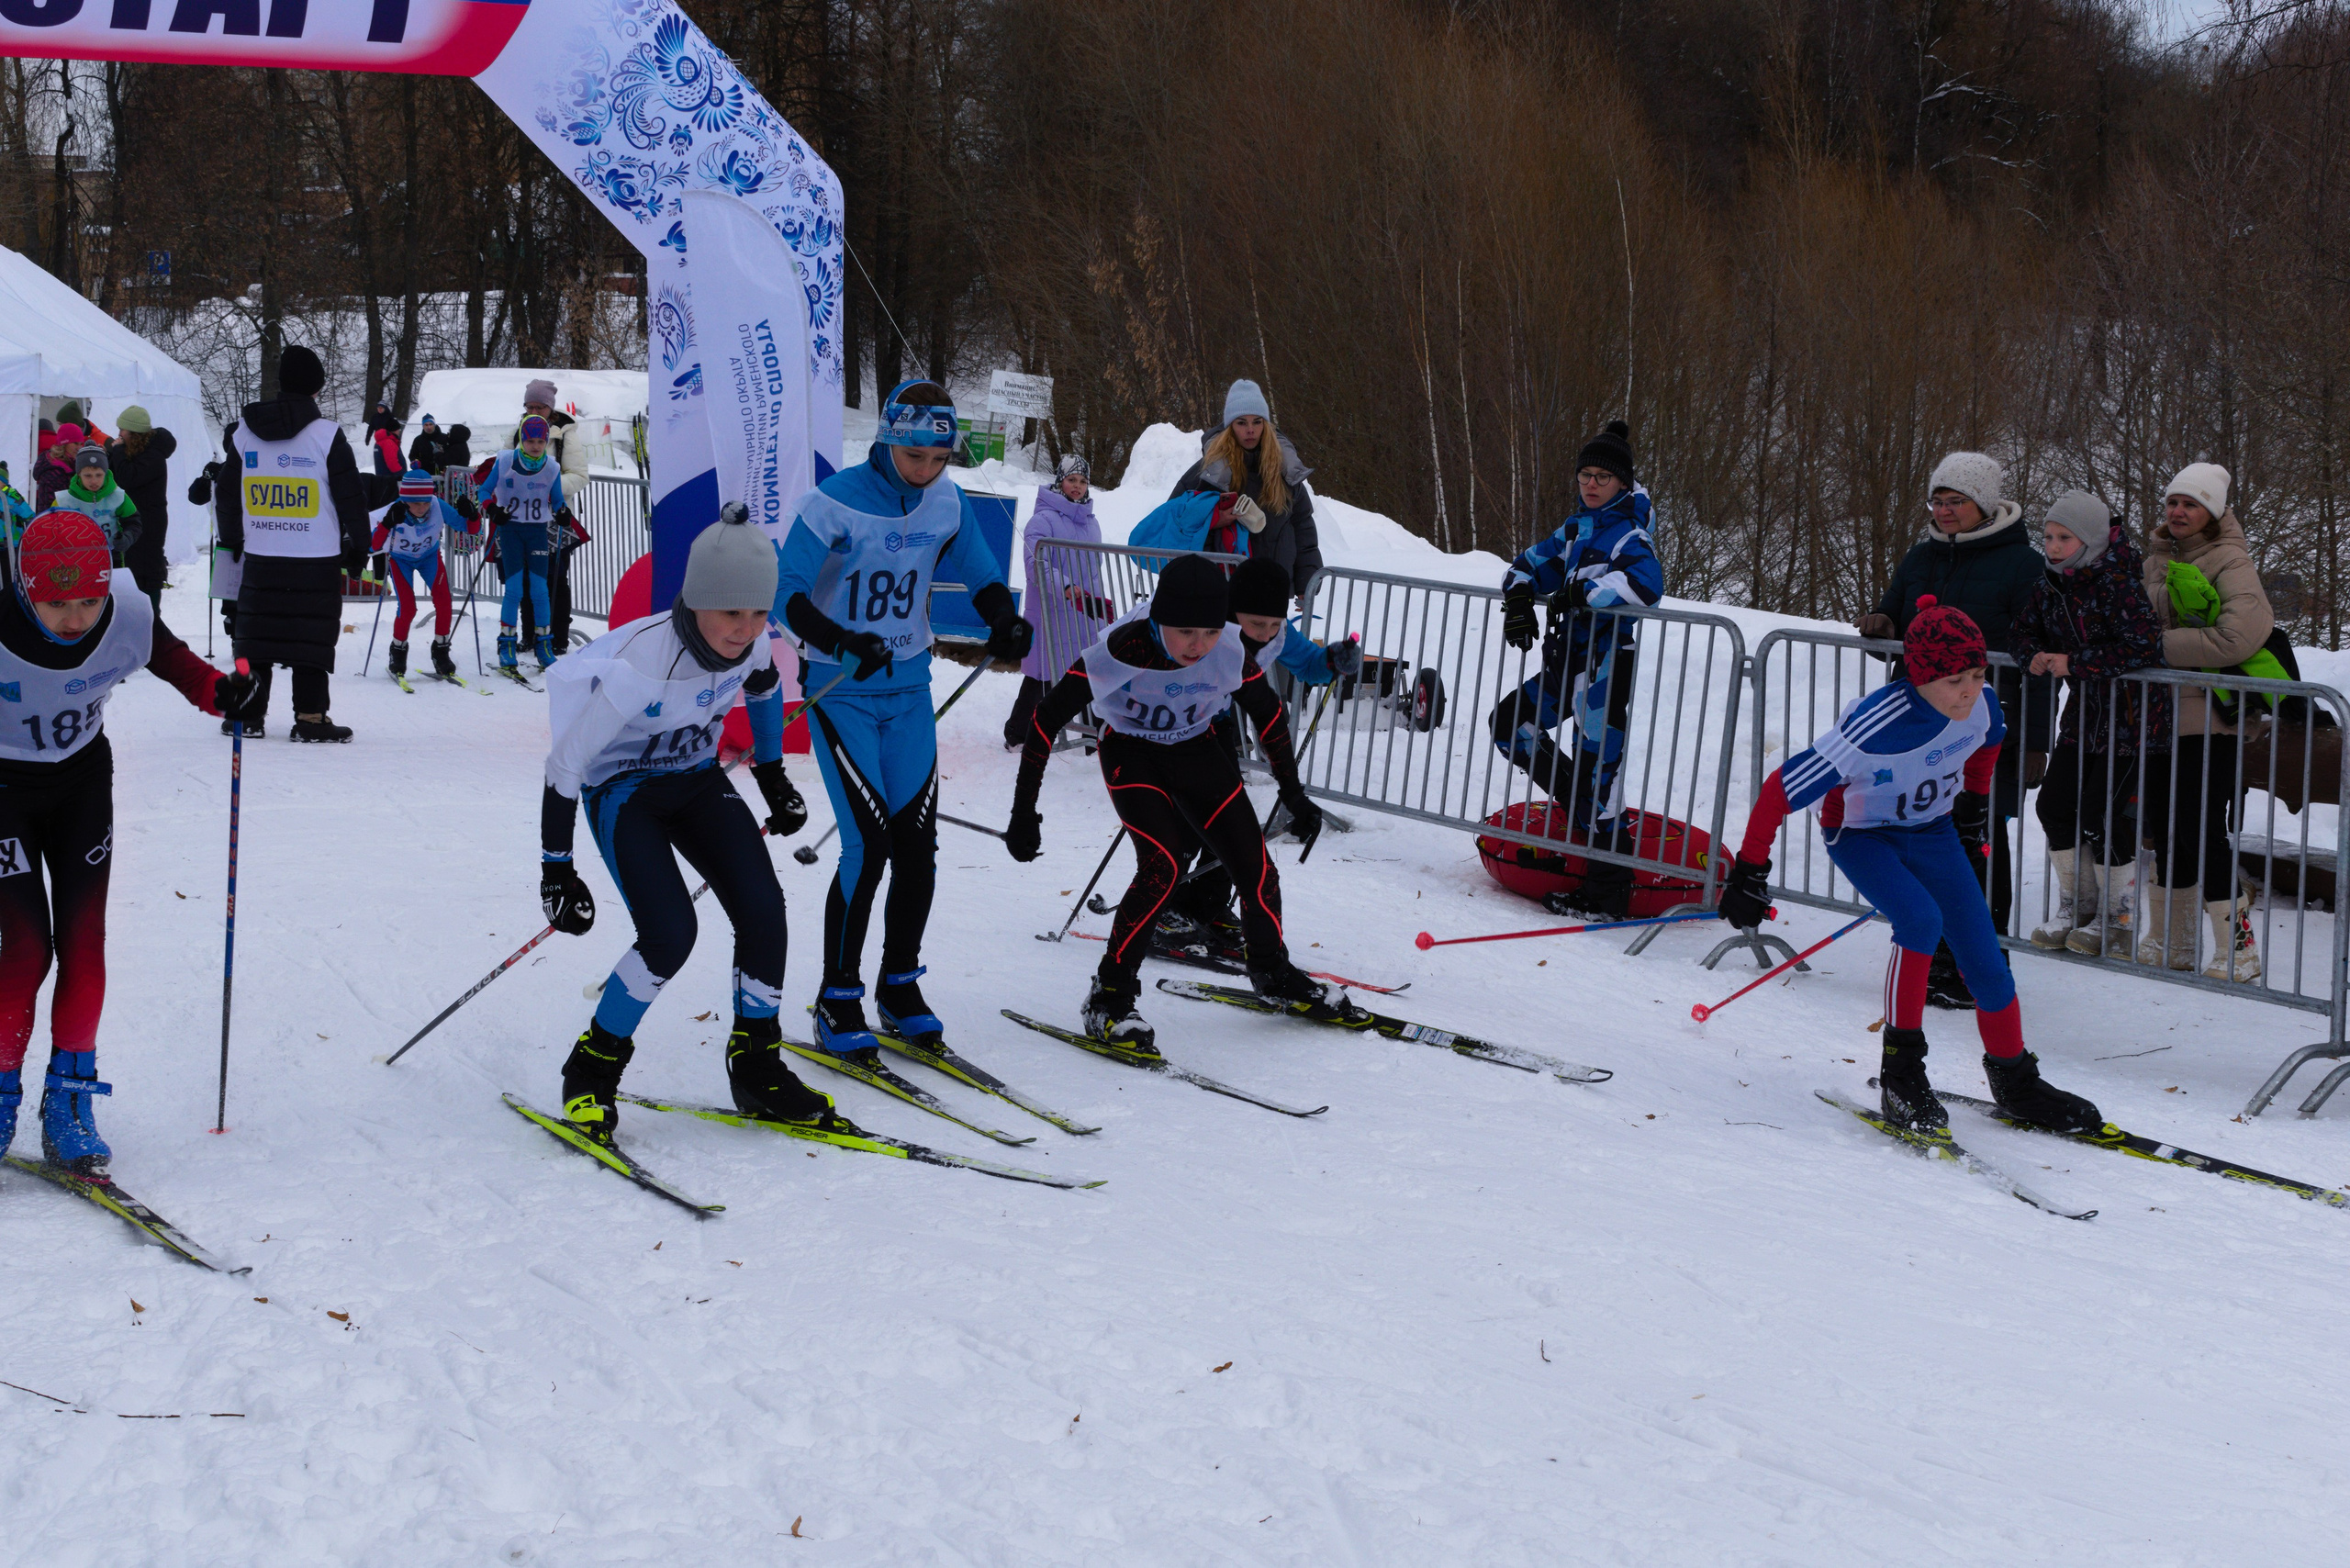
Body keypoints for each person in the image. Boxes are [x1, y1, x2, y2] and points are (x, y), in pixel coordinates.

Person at [1718, 598, 2099, 1134]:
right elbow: (1780, 790)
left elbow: (1989, 741)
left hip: (1934, 831)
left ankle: (2016, 1081)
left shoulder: (1983, 704)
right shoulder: (1875, 725)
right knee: (1919, 921)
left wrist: (1972, 805)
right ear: (1919, 678)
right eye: (1953, 680)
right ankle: (1901, 1074)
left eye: (1976, 673)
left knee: (1984, 953)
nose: (1968, 689)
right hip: (1862, 836)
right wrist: (1749, 870)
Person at [537, 505, 825, 1146]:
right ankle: (591, 1070)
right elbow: (565, 765)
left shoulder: (749, 641)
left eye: (757, 613)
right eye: (731, 612)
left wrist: (773, 775)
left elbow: (763, 685)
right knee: (669, 934)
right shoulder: (642, 663)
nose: (746, 628)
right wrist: (557, 867)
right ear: (696, 602)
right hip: (624, 790)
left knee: (763, 910)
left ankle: (757, 1065)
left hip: (694, 779)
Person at [774, 378, 1032, 1057]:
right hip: (843, 691)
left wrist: (1004, 620)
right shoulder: (829, 505)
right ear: (889, 439)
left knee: (918, 846)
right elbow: (786, 594)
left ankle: (898, 984)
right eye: (916, 457)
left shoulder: (944, 500)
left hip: (909, 690)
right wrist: (836, 640)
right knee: (869, 844)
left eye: (939, 460)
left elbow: (980, 576)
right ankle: (837, 997)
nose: (926, 472)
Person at [1002, 553, 1332, 1050]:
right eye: (1185, 633)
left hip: (1195, 748)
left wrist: (1294, 794)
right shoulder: (1123, 647)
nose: (1199, 647)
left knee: (1256, 866)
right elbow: (1045, 720)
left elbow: (1268, 716)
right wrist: (1023, 811)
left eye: (1208, 632)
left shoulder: (1226, 647)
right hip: (1132, 753)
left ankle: (1271, 973)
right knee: (1163, 865)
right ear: (1158, 620)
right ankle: (1109, 997)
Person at [0, 511, 246, 1174]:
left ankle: (70, 1099)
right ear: (25, 590)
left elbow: (179, 665)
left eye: (88, 600)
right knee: (25, 950)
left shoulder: (127, 609)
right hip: (3, 792)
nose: (75, 618)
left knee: (85, 942)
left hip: (80, 784)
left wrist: (223, 693)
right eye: (56, 603)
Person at [1855, 451, 2050, 1001]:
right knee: (1921, 836)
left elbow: (2035, 655)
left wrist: (2036, 739)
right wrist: (1881, 623)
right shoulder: (1920, 556)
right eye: (1937, 501)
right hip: (1917, 726)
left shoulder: (2023, 565)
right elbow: (1895, 621)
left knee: (1980, 838)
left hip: (1985, 725)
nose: (1943, 511)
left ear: (1983, 505)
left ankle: (1982, 961)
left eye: (1955, 501)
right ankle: (1931, 956)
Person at [1489, 419, 1663, 921]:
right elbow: (1527, 563)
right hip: (1564, 666)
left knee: (1600, 774)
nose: (1590, 484)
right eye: (1585, 474)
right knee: (1509, 726)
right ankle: (1582, 810)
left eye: (1602, 478)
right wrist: (1520, 597)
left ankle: (1608, 892)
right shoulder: (1575, 528)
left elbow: (1647, 586)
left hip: (1604, 670)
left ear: (1623, 485)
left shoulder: (1629, 535)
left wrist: (1584, 592)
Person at [1146, 554, 1358, 957]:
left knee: (1228, 817)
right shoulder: (1207, 626)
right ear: (1232, 609)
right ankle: (1163, 907)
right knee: (1187, 818)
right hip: (1169, 723)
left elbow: (1309, 666)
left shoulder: (1276, 633)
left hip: (1215, 723)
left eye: (1274, 624)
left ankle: (1204, 904)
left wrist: (1332, 660)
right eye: (1256, 624)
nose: (1264, 634)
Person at [2009, 491, 2166, 957]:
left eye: (2064, 538)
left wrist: (2075, 663)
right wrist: (2032, 656)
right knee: (2054, 807)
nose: (2053, 547)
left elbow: (2144, 648)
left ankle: (2116, 921)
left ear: (2092, 540)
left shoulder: (2120, 581)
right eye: (2049, 537)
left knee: (2106, 816)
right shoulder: (2051, 585)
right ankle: (2076, 908)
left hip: (2135, 721)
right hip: (2083, 719)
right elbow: (2021, 630)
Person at [2137, 462, 2274, 981]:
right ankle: (2172, 940)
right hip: (2162, 716)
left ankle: (2238, 949)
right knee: (2167, 828)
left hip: (2213, 720)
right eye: (2173, 502)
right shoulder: (2158, 559)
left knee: (2203, 830)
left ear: (2212, 512)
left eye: (2190, 504)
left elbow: (2239, 637)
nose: (2178, 512)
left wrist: (2152, 648)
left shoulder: (2231, 561)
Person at [216, 343, 372, 743]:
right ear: (317, 388)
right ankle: (311, 718)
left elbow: (229, 493)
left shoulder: (244, 432)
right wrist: (359, 546)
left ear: (281, 383)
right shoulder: (327, 435)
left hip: (262, 551)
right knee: (311, 638)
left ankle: (247, 714)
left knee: (255, 636)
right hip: (315, 554)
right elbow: (350, 496)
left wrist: (233, 539)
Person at [1169, 380, 1321, 606]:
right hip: (1221, 591)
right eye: (1241, 422)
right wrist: (1214, 520)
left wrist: (1305, 581)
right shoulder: (1209, 471)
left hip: (1274, 587)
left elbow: (1302, 525)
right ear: (1230, 426)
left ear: (1266, 425)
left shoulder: (1286, 471)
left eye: (1257, 422)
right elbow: (1177, 519)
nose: (1250, 430)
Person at [1005, 453, 1110, 750]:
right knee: (1043, 677)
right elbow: (1036, 563)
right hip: (1051, 612)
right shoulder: (1042, 520)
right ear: (1060, 482)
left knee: (1088, 673)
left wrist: (1096, 603)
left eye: (1083, 481)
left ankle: (1094, 735)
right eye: (1071, 480)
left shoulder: (1092, 522)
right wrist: (1064, 586)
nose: (1077, 486)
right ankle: (1018, 733)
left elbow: (1095, 567)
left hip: (1083, 613)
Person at [477, 416, 570, 673]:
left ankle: (544, 644)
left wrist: (563, 512)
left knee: (540, 589)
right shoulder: (505, 461)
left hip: (538, 531)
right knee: (515, 590)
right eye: (530, 440)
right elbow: (483, 492)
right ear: (522, 439)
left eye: (541, 441)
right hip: (511, 530)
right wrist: (493, 510)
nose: (536, 446)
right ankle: (506, 643)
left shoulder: (551, 467)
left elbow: (558, 500)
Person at [368, 470, 481, 680]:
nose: (422, 508)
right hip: (401, 560)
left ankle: (441, 652)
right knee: (408, 607)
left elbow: (470, 529)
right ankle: (398, 652)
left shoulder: (437, 505)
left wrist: (473, 515)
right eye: (415, 503)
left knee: (444, 601)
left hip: (429, 557)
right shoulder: (396, 510)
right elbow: (372, 545)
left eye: (425, 502)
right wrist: (386, 524)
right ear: (405, 499)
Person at [524, 378, 592, 652]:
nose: (533, 412)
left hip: (556, 518)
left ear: (550, 408)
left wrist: (547, 486)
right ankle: (530, 635)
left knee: (555, 578)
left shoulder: (565, 434)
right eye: (529, 406)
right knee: (526, 576)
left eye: (539, 406)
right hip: (524, 515)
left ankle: (558, 638)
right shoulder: (520, 430)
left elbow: (579, 476)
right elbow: (505, 464)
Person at [106, 407, 178, 602]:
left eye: (123, 430)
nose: (119, 434)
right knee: (130, 569)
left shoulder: (154, 456)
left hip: (149, 523)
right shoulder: (137, 452)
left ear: (134, 433)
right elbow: (114, 476)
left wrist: (118, 450)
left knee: (147, 571)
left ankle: (152, 617)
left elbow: (127, 478)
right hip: (133, 519)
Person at [52, 445, 140, 565]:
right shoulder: (64, 500)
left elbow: (134, 522)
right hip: (75, 560)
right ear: (78, 475)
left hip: (111, 557)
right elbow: (51, 530)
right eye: (87, 476)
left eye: (99, 475)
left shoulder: (118, 496)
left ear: (106, 473)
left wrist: (127, 538)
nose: (94, 481)